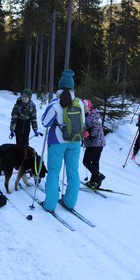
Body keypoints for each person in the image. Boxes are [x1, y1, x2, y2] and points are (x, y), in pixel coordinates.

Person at [41, 69, 85, 212]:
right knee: (73, 172)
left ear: (59, 87)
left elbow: (45, 122)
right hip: (75, 141)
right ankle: (70, 202)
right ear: (72, 87)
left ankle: (50, 204)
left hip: (58, 142)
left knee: (54, 172)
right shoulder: (79, 103)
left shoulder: (55, 103)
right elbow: (82, 122)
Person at [82, 99, 106, 188]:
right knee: (95, 162)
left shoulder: (91, 116)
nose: (83, 108)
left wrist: (90, 135)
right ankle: (94, 182)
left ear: (89, 107)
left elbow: (96, 127)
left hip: (94, 143)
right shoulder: (91, 115)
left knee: (86, 161)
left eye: (85, 106)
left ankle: (98, 176)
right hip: (99, 143)